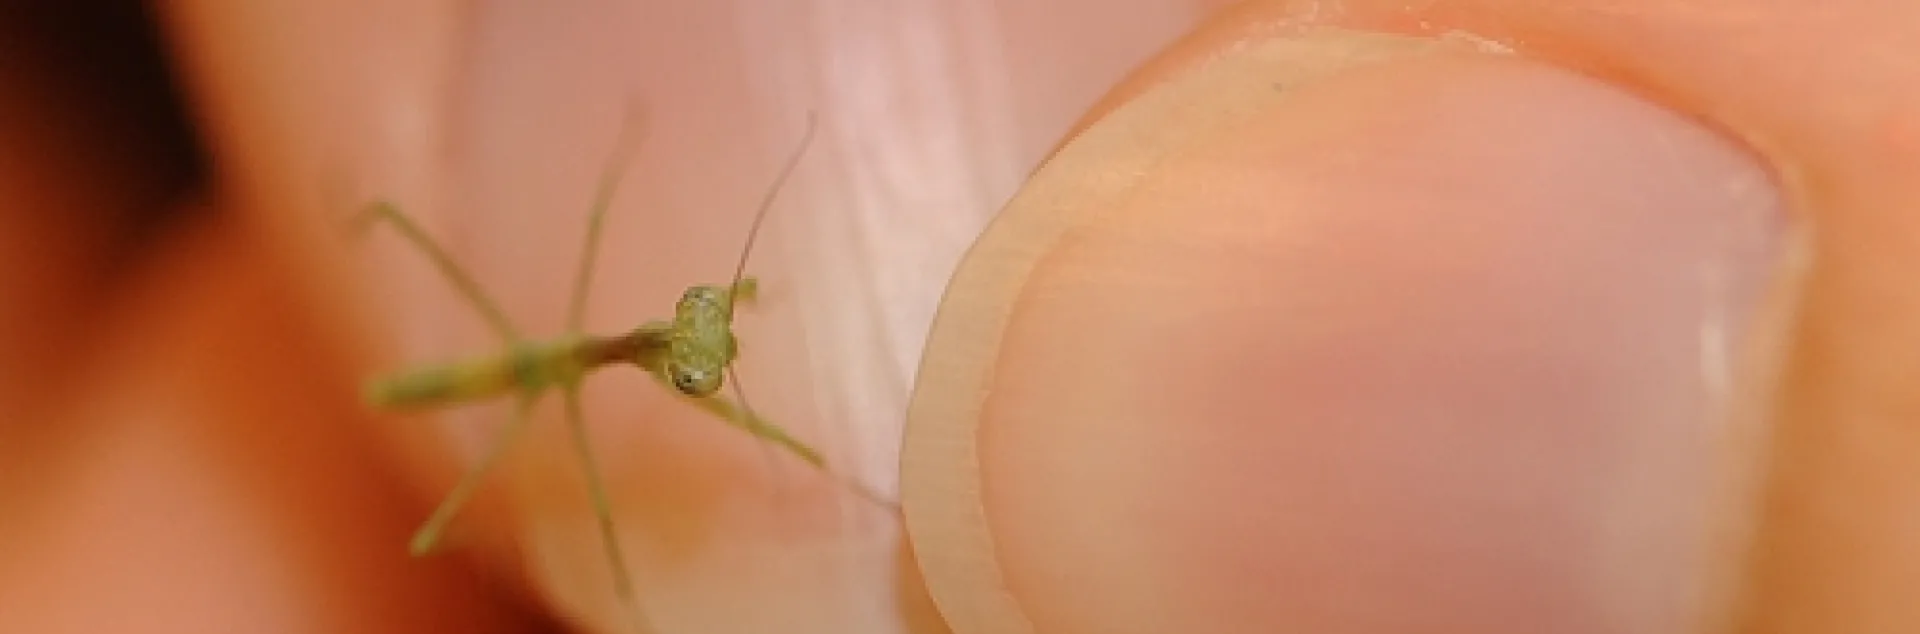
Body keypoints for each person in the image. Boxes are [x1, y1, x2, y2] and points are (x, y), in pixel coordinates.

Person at [2, 1, 1911, 632]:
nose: (698, 357)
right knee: (490, 438)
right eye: (698, 355)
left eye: (702, 347)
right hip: (448, 362)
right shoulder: (581, 358)